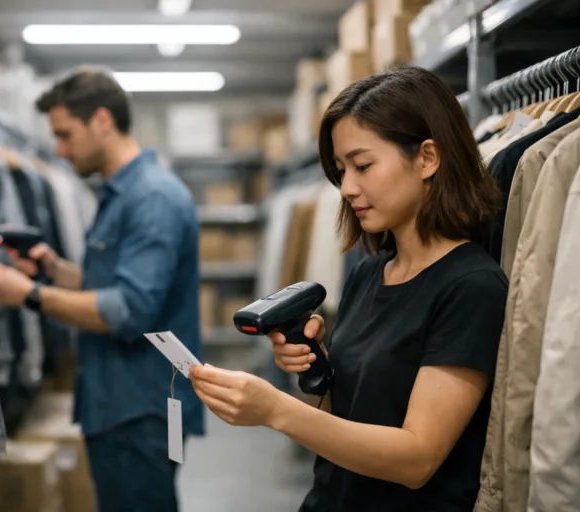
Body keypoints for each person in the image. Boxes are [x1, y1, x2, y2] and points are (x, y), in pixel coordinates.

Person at [189, 66, 508, 511]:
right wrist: (313, 369)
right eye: (341, 171)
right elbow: (341, 422)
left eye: (363, 165)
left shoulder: (472, 288)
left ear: (428, 158)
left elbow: (417, 458)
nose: (347, 188)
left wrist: (276, 410)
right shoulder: (367, 272)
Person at [0, 67, 205, 512]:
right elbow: (115, 286)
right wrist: (52, 271)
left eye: (66, 135)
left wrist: (29, 294)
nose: (60, 151)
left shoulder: (151, 198)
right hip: (124, 404)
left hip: (139, 410)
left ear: (102, 121)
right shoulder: (123, 194)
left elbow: (129, 310)